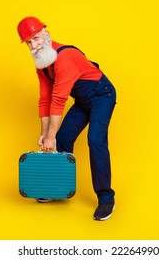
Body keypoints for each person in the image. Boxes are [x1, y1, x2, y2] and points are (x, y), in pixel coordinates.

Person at [17, 16, 117, 221]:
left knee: (95, 140)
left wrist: (50, 136)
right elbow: (45, 99)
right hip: (83, 101)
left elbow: (59, 98)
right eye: (29, 42)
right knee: (62, 138)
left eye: (36, 38)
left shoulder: (65, 56)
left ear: (46, 33)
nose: (34, 45)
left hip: (102, 96)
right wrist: (45, 134)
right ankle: (58, 189)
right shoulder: (42, 65)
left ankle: (106, 198)